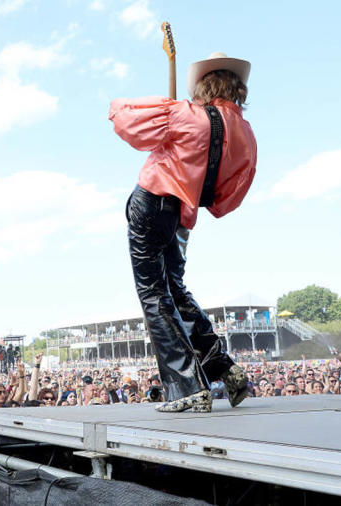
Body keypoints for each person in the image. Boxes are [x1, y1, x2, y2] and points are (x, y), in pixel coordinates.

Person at [109, 52, 257, 413]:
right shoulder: (244, 133)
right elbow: (231, 191)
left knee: (153, 293)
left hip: (152, 203)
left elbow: (122, 116)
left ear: (204, 87)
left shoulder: (184, 115)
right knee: (174, 289)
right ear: (237, 89)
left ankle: (187, 385)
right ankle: (224, 369)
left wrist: (167, 108)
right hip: (183, 214)